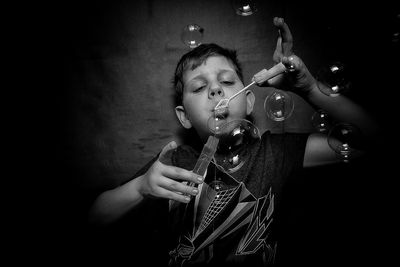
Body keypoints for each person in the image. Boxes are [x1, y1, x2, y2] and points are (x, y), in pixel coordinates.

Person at [87, 17, 379, 266]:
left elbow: (369, 140)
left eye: (227, 82)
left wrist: (308, 88)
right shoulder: (174, 162)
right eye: (200, 87)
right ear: (184, 116)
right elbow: (95, 217)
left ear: (249, 100)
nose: (215, 89)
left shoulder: (275, 153)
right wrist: (141, 187)